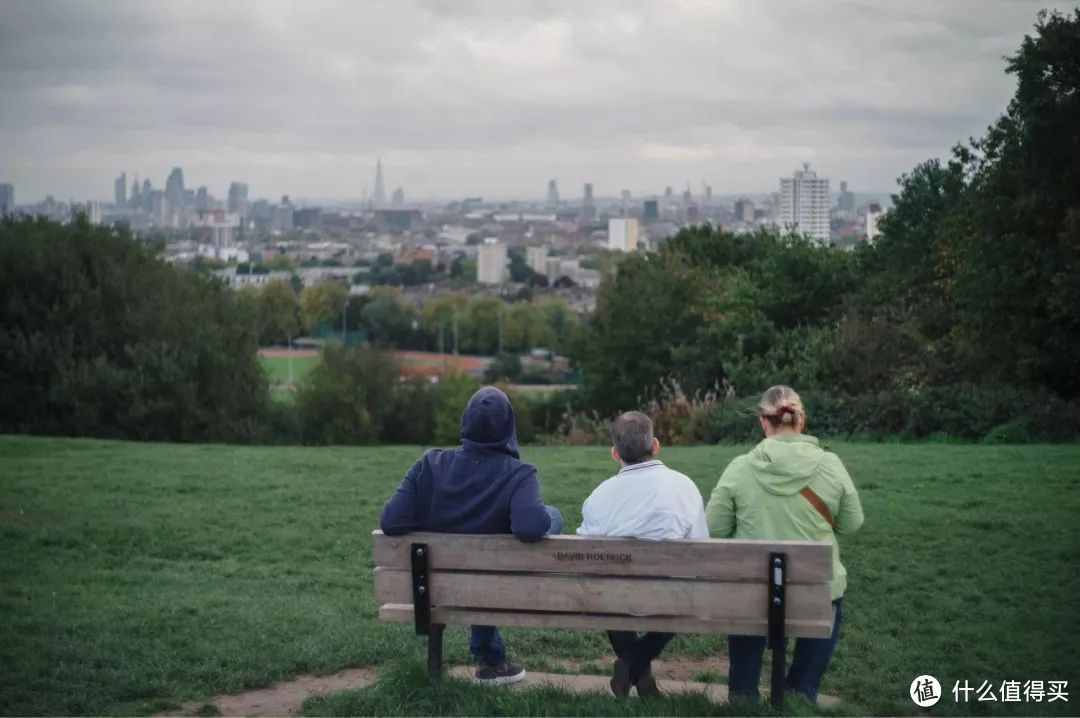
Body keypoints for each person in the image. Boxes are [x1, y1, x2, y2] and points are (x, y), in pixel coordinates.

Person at [379, 386, 562, 685]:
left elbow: (391, 520)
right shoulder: (519, 473)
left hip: (436, 585)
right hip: (494, 575)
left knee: (480, 540)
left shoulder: (429, 464)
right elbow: (530, 528)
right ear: (509, 427)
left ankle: (487, 657)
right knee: (552, 516)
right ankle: (490, 660)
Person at [705, 385, 863, 704]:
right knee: (830, 596)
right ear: (800, 421)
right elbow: (852, 523)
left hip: (753, 591)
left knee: (748, 600)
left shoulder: (740, 467)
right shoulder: (830, 464)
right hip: (815, 590)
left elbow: (713, 527)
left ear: (764, 423)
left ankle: (744, 695)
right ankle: (800, 694)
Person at [577, 411, 708, 698]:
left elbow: (586, 554)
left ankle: (633, 665)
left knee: (607, 589)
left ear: (614, 453)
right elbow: (700, 548)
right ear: (656, 445)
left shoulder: (599, 496)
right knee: (683, 589)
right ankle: (636, 664)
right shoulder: (684, 486)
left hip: (616, 597)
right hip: (669, 596)